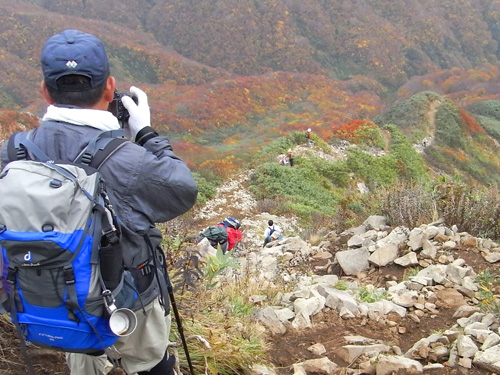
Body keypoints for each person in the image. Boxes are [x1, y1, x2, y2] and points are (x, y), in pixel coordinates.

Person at [0, 29, 198, 375]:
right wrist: (145, 133)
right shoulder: (127, 158)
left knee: (83, 352)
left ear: (45, 91)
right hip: (128, 295)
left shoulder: (13, 152)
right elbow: (181, 190)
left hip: (53, 293)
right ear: (109, 88)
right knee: (150, 363)